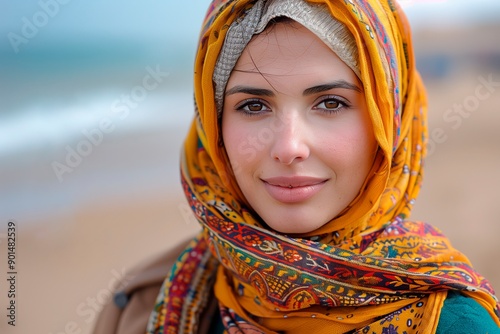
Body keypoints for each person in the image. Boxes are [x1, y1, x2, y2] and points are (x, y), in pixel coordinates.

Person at [93, 0, 500, 333]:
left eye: (331, 103)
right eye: (253, 106)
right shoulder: (141, 304)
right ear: (213, 129)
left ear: (388, 122)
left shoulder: (456, 324)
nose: (289, 148)